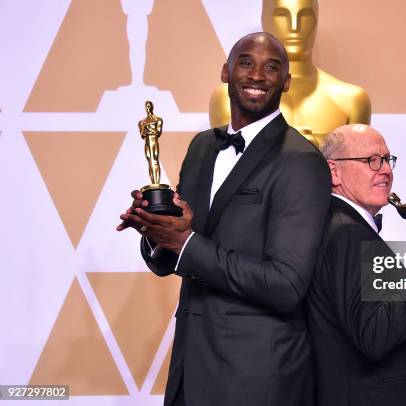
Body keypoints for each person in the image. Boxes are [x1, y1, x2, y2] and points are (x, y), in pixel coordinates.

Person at [117, 32, 330, 406]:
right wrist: (156, 231)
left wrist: (186, 243)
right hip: (190, 367)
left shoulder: (301, 161)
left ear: (286, 82)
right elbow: (177, 256)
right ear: (225, 72)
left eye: (272, 67)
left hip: (258, 379)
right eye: (246, 62)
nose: (258, 75)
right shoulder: (201, 147)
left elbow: (286, 285)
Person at [306, 124, 406, 406]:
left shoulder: (342, 228)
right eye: (371, 160)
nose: (386, 170)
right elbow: (373, 335)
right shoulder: (346, 233)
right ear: (334, 172)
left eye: (388, 160)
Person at [209, 0, 371, 148]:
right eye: (282, 15)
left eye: (305, 16)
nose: (294, 27)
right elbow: (227, 167)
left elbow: (357, 172)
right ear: (265, 19)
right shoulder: (228, 96)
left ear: (316, 20)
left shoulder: (351, 100)